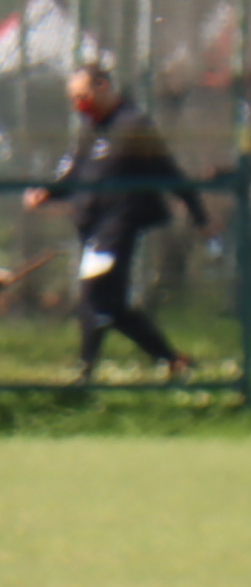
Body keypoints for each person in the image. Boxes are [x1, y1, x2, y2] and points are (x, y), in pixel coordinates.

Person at [26, 54, 207, 384]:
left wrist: (198, 213)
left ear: (103, 86)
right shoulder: (91, 130)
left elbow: (168, 170)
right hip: (92, 226)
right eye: (73, 98)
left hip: (118, 225)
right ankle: (172, 360)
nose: (78, 104)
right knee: (110, 304)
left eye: (83, 95)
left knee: (95, 295)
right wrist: (47, 193)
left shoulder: (133, 126)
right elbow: (74, 176)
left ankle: (85, 371)